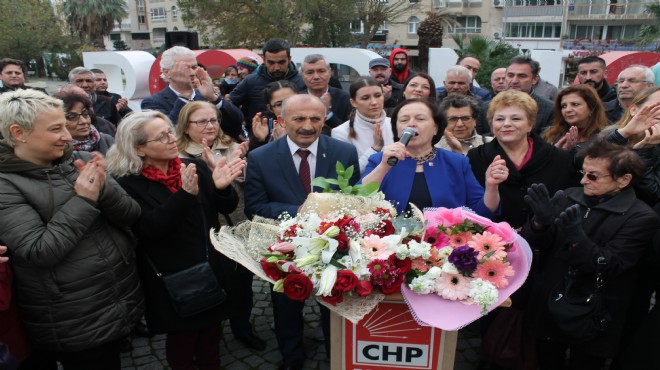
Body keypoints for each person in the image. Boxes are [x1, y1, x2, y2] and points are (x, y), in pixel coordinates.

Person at [0, 89, 143, 369]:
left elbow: (131, 215)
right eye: (56, 128)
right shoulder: (5, 185)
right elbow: (38, 251)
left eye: (66, 125)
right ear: (19, 133)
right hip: (72, 317)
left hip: (116, 297)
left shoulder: (80, 160)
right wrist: (84, 200)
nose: (68, 135)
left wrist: (103, 191)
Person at [106, 110, 246, 369]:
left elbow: (224, 208)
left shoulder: (193, 166)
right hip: (172, 277)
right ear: (139, 149)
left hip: (210, 264)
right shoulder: (126, 184)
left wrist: (222, 187)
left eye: (170, 131)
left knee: (212, 333)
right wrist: (184, 195)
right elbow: (148, 229)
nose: (172, 139)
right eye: (162, 137)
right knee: (183, 338)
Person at [521, 140, 659, 370]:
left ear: (623, 180)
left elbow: (610, 263)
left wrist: (576, 236)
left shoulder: (641, 217)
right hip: (551, 300)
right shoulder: (568, 196)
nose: (583, 180)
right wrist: (538, 224)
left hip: (594, 309)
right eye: (583, 173)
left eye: (593, 176)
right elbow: (539, 244)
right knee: (546, 360)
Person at [244, 94, 359, 370]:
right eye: (299, 119)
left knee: (333, 307)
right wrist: (303, 211)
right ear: (282, 121)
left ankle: (337, 356)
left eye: (315, 119)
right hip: (284, 250)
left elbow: (354, 202)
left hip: (334, 250)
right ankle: (292, 358)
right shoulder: (260, 157)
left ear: (324, 119)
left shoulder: (344, 152)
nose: (308, 125)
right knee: (285, 310)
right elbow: (255, 207)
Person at [361, 98, 505, 216]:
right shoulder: (380, 160)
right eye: (404, 120)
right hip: (390, 245)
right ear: (397, 130)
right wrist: (383, 167)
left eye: (420, 118)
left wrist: (492, 187)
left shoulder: (457, 162)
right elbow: (358, 201)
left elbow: (481, 212)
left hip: (446, 245)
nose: (411, 124)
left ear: (436, 128)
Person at [468, 90, 581, 228]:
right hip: (493, 241)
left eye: (516, 119)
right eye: (499, 119)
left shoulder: (559, 159)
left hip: (546, 241)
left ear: (530, 124)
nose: (507, 124)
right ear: (491, 125)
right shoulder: (475, 157)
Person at [142, 46, 245, 135]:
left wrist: (214, 98)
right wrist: (184, 95)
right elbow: (165, 132)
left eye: (194, 67)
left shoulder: (205, 95)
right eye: (185, 68)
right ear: (167, 72)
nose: (192, 72)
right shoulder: (152, 103)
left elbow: (237, 123)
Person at [229, 39, 306, 124]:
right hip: (258, 135)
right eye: (271, 63)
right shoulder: (250, 81)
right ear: (264, 60)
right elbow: (229, 106)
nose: (276, 67)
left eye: (281, 62)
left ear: (289, 59)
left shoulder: (302, 82)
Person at [332, 77, 393, 172]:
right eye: (365, 98)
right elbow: (348, 174)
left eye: (377, 95)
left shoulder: (395, 124)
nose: (374, 102)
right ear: (353, 102)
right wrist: (374, 149)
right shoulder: (340, 132)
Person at [543, 84, 608, 152]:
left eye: (575, 104)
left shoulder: (603, 139)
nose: (567, 110)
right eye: (564, 106)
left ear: (591, 108)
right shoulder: (550, 135)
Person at [52, 89, 115, 155]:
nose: (83, 121)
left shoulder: (107, 140)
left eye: (85, 114)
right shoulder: (56, 150)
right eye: (72, 117)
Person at [299, 54, 351, 131]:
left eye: (321, 71)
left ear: (330, 73)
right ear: (302, 75)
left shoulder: (344, 98)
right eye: (310, 72)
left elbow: (349, 132)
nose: (316, 77)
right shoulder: (296, 100)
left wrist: (328, 114)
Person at [249, 80, 299, 149]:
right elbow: (254, 157)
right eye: (279, 104)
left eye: (292, 100)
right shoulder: (266, 128)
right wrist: (260, 140)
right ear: (270, 108)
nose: (287, 106)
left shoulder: (314, 122)